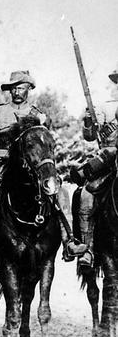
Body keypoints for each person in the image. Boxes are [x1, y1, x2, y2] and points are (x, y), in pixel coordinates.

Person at [0, 70, 85, 272]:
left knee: (60, 191)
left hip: (33, 166)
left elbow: (46, 138)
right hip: (4, 164)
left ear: (29, 89)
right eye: (14, 87)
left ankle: (69, 240)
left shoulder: (37, 114)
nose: (17, 91)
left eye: (21, 87)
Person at [71, 67, 118, 269]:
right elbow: (90, 136)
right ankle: (87, 248)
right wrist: (89, 120)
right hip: (108, 158)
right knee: (86, 195)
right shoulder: (105, 107)